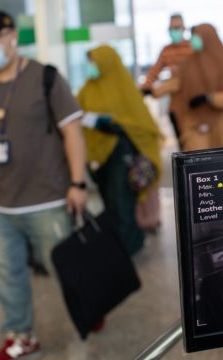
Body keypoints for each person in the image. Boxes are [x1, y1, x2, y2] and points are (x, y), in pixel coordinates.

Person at [0, 10, 87, 360]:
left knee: (68, 269)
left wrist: (77, 183)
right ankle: (20, 336)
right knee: (7, 275)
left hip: (48, 199)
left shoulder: (45, 78)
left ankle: (90, 309)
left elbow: (72, 131)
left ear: (12, 37)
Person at [78, 45, 162, 255]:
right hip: (97, 156)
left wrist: (111, 124)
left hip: (120, 152)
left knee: (121, 202)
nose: (91, 66)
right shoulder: (87, 89)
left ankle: (129, 247)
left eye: (94, 61)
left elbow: (141, 124)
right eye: (90, 62)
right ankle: (117, 245)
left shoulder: (123, 88)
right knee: (108, 202)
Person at [171, 23, 223, 151]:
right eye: (193, 37)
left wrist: (209, 98)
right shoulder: (189, 63)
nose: (193, 40)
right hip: (195, 122)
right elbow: (176, 83)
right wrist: (153, 90)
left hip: (221, 122)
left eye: (196, 36)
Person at [141, 13, 193, 140]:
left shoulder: (192, 47)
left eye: (176, 28)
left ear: (183, 28)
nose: (173, 32)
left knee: (194, 140)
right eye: (171, 29)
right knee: (181, 140)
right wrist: (145, 87)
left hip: (193, 99)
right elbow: (154, 71)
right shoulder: (166, 50)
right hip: (175, 102)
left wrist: (159, 90)